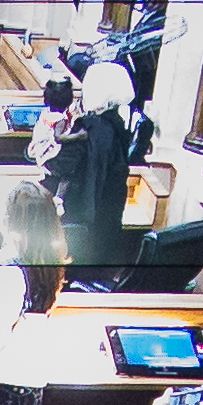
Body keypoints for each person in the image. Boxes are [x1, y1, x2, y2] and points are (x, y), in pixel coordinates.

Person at [48, 56, 142, 277]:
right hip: (105, 234)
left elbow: (62, 167)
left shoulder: (90, 128)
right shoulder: (120, 128)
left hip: (79, 234)